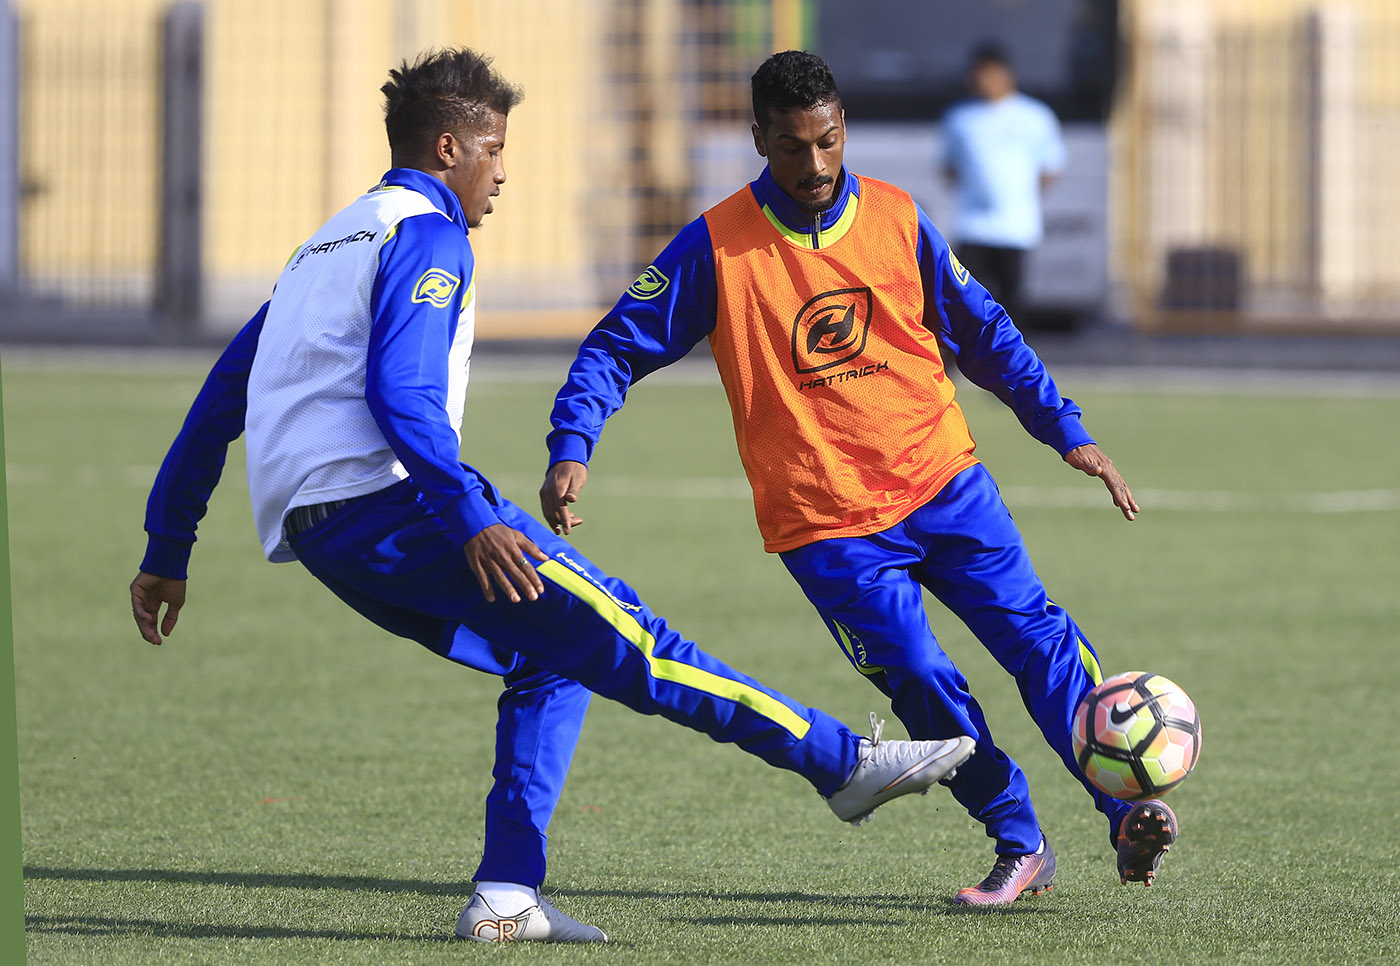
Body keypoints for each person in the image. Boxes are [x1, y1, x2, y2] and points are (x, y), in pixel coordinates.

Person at [128, 47, 976, 944]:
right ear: (450, 149)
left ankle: (505, 897)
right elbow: (400, 394)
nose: (503, 172)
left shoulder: (325, 244)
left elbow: (220, 399)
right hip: (396, 506)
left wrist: (166, 548)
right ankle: (842, 764)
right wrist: (468, 517)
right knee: (636, 639)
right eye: (495, 150)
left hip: (322, 532)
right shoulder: (430, 236)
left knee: (551, 658)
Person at [541, 50, 1179, 906]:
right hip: (828, 526)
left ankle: (1126, 812)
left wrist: (1063, 429)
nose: (816, 164)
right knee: (919, 674)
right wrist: (572, 444)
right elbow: (615, 346)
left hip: (945, 484)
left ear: (844, 127)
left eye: (829, 141)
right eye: (793, 146)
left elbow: (985, 332)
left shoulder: (897, 218)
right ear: (759, 139)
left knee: (1038, 642)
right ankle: (1019, 838)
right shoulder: (717, 247)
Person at [940, 43, 1065, 324]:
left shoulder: (1035, 116)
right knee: (964, 300)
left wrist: (1018, 196)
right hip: (972, 226)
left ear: (1006, 73)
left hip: (1015, 227)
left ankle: (1010, 353)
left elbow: (1050, 167)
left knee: (1011, 303)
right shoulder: (959, 118)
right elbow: (949, 167)